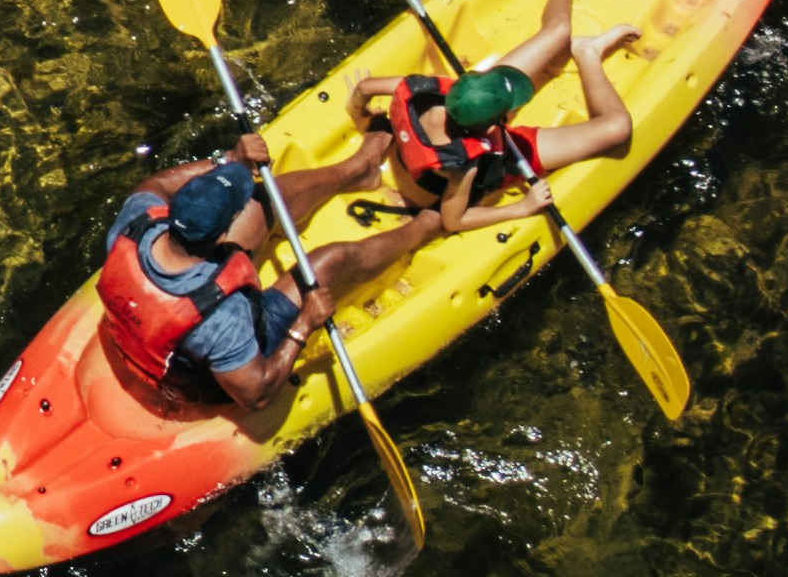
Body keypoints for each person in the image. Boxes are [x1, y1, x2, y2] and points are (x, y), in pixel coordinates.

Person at [90, 128, 534, 414]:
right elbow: (256, 394)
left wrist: (229, 162)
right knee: (328, 263)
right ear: (221, 232)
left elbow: (155, 184)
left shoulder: (138, 220)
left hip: (171, 305)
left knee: (265, 199)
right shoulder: (220, 321)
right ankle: (425, 226)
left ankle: (358, 170)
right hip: (202, 372)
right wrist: (304, 325)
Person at [361, 0, 643, 213]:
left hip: (466, 117)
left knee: (558, 33)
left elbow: (363, 88)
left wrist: (359, 115)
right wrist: (522, 207)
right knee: (617, 128)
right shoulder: (463, 169)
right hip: (498, 159)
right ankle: (588, 54)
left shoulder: (412, 89)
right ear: (495, 124)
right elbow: (453, 219)